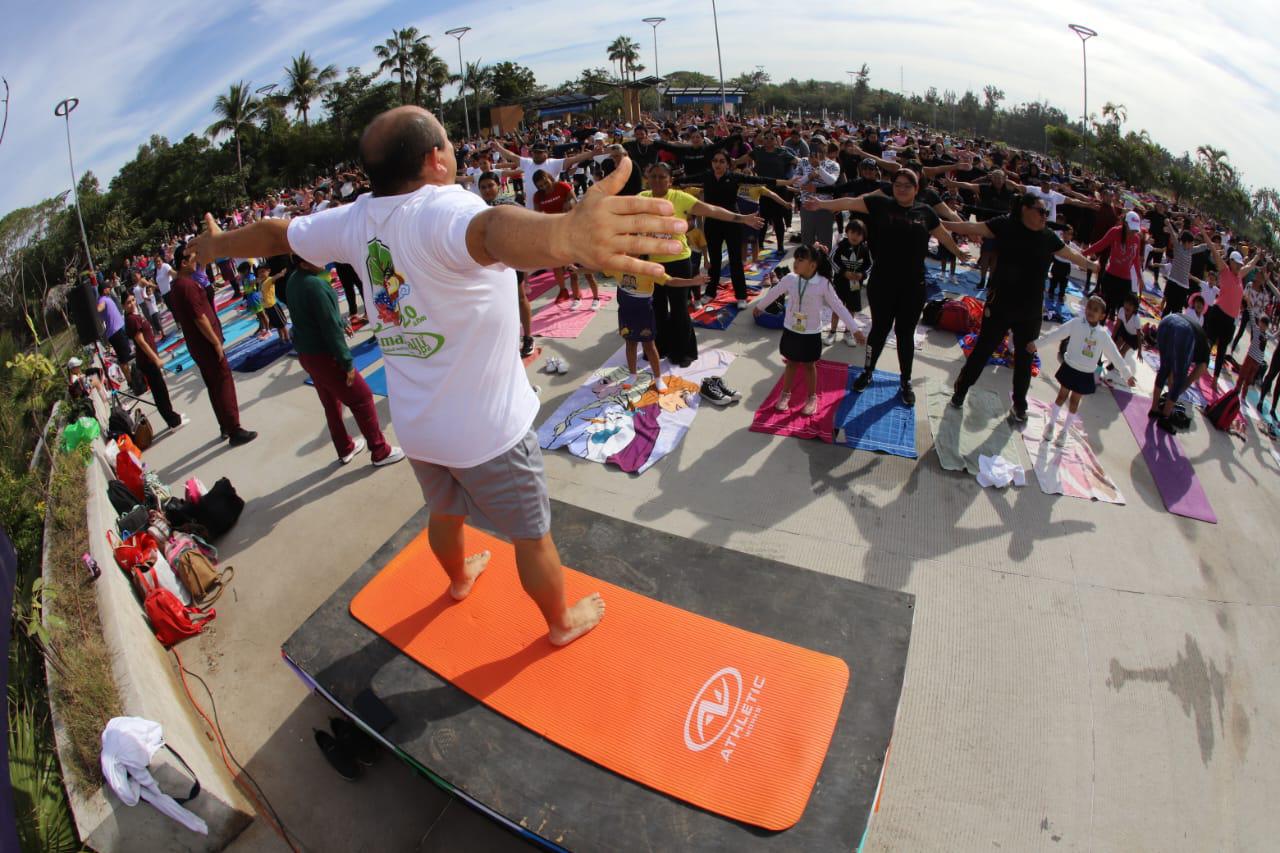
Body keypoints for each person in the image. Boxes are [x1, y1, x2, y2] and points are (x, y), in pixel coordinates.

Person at [186, 105, 690, 646]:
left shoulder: (356, 217)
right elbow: (493, 230)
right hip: (489, 431)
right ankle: (561, 624)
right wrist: (562, 235)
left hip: (418, 426)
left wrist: (217, 246)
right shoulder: (445, 207)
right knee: (532, 536)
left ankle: (457, 581)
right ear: (435, 160)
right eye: (449, 144)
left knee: (445, 514)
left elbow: (275, 234)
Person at [804, 169, 969, 406]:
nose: (901, 188)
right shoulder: (880, 204)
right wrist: (821, 203)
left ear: (916, 188)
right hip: (883, 283)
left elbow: (942, 234)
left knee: (905, 335)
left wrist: (958, 252)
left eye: (907, 185)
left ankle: (905, 381)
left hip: (913, 286)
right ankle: (867, 371)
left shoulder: (926, 212)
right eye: (897, 184)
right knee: (879, 331)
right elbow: (851, 201)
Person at [945, 193, 1100, 421]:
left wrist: (1090, 265)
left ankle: (1019, 405)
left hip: (1030, 311)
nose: (1045, 216)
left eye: (1046, 212)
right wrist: (941, 223)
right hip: (1000, 306)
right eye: (1041, 211)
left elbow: (1070, 254)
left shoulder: (1048, 237)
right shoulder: (1006, 225)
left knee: (1025, 359)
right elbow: (973, 227)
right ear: (1025, 210)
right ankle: (961, 391)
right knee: (983, 350)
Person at [641, 162, 762, 368]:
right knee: (658, 308)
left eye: (662, 177)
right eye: (653, 176)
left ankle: (683, 352)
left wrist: (742, 218)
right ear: (647, 179)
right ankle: (661, 347)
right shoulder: (641, 199)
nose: (658, 181)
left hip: (678, 262)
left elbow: (713, 210)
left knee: (679, 309)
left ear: (670, 181)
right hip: (652, 264)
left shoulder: (680, 198)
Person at [287, 257, 405, 467]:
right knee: (362, 398)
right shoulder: (316, 285)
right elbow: (330, 328)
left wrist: (341, 321)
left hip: (307, 355)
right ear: (303, 262)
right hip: (325, 356)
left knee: (331, 403)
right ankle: (380, 451)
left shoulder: (294, 279)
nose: (321, 257)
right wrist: (347, 362)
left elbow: (316, 315)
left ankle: (345, 448)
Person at [750, 244, 859, 415]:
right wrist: (760, 306)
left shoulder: (823, 284)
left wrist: (855, 329)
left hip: (810, 332)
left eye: (801, 260)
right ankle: (786, 394)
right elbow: (775, 292)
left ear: (813, 265)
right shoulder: (790, 279)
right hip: (791, 329)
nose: (796, 263)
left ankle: (811, 397)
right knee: (791, 363)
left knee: (809, 366)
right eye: (796, 259)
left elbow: (839, 307)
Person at [169, 243, 257, 445]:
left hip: (198, 345)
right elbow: (200, 318)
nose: (196, 261)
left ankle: (225, 425)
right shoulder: (187, 286)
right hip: (206, 343)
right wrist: (216, 342)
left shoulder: (178, 286)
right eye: (192, 258)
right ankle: (234, 428)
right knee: (223, 383)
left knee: (214, 385)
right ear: (183, 263)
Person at [1027, 295, 1136, 447]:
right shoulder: (1076, 323)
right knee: (1061, 396)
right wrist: (1037, 344)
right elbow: (1056, 334)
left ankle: (1064, 431)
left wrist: (1127, 374)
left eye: (1095, 310)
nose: (1091, 311)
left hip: (1085, 373)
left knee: (1074, 401)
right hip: (1070, 367)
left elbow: (1115, 355)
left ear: (1102, 315)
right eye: (1089, 308)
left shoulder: (1103, 335)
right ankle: (1051, 425)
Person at [679, 151, 782, 307]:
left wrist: (786, 182)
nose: (718, 164)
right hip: (712, 223)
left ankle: (741, 295)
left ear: (728, 164)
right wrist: (672, 179)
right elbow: (686, 180)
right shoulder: (707, 176)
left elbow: (760, 180)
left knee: (735, 260)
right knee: (715, 260)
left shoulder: (734, 177)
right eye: (715, 160)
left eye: (721, 161)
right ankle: (710, 292)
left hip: (732, 222)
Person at [612, 263, 707, 392]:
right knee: (630, 343)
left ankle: (658, 378)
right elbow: (596, 267)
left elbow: (670, 281)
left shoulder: (649, 270)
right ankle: (632, 375)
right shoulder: (617, 265)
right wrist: (578, 270)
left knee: (649, 346)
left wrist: (692, 281)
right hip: (626, 313)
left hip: (644, 314)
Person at [477, 170, 535, 356]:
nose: (487, 190)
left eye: (490, 185)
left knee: (519, 298)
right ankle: (504, 340)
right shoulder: (475, 207)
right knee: (494, 302)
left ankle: (528, 337)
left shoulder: (511, 205)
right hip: (488, 263)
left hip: (510, 259)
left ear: (499, 186)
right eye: (483, 187)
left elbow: (528, 225)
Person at [1201, 230, 1264, 385]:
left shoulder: (1240, 275)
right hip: (1218, 314)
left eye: (1241, 264)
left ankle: (1214, 379)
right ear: (1231, 262)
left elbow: (1250, 265)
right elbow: (1214, 250)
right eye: (1237, 263)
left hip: (1230, 320)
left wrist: (1257, 256)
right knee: (1209, 343)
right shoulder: (1224, 270)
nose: (1240, 266)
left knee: (1221, 351)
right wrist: (1202, 230)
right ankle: (1199, 367)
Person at [123, 292, 186, 431]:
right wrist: (155, 359)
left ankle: (172, 416)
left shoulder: (134, 316)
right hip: (147, 361)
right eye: (128, 302)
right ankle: (173, 420)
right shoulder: (132, 320)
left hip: (148, 359)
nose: (132, 303)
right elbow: (141, 342)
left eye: (133, 300)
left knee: (161, 390)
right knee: (160, 392)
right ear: (123, 305)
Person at [1149, 294, 1211, 422]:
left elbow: (1171, 371)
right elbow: (1187, 381)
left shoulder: (1199, 340)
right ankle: (1165, 417)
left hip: (1167, 321)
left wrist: (1169, 394)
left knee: (1164, 369)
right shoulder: (1205, 358)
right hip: (1184, 331)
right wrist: (1174, 394)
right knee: (1180, 379)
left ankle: (1154, 409)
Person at [490, 138, 600, 210]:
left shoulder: (554, 163)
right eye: (534, 152)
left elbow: (574, 159)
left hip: (553, 208)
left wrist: (592, 153)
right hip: (531, 208)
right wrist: (499, 148)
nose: (536, 155)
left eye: (539, 152)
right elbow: (511, 156)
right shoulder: (526, 162)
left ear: (546, 154)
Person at [1085, 210, 1145, 318]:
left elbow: (1136, 259)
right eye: (1132, 229)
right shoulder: (1115, 232)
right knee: (1104, 309)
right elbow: (1100, 244)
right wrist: (1083, 253)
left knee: (1121, 311)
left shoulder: (1136, 238)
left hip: (1125, 281)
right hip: (1111, 277)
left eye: (1136, 230)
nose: (1134, 232)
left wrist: (1140, 278)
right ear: (1125, 224)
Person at [828, 219, 871, 345]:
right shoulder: (841, 245)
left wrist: (862, 274)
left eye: (859, 234)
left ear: (863, 236)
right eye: (852, 232)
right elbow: (831, 259)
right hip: (840, 282)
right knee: (837, 308)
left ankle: (848, 332)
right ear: (847, 232)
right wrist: (843, 272)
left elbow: (870, 265)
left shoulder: (865, 249)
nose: (855, 236)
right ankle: (832, 331)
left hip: (855, 286)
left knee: (851, 308)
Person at [96, 280, 134, 385]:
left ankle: (131, 378)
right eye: (108, 288)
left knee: (126, 355)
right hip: (115, 332)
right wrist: (97, 309)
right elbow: (99, 308)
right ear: (104, 290)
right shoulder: (102, 300)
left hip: (118, 330)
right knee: (123, 359)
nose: (110, 289)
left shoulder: (106, 298)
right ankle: (130, 381)